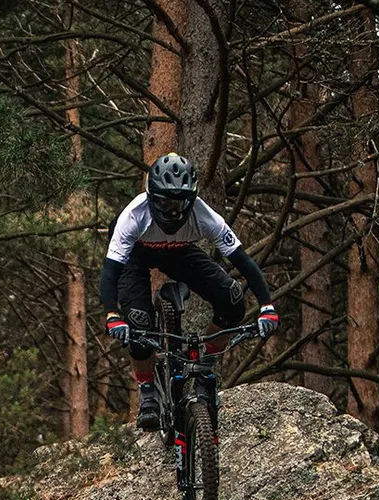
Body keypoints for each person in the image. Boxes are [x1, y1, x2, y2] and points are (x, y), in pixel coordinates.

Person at [100, 153, 279, 430]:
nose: (172, 209)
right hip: (134, 256)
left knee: (231, 300)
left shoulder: (204, 216)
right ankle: (147, 390)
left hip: (179, 252)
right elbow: (111, 271)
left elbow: (244, 262)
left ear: (192, 198)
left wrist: (267, 306)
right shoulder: (133, 217)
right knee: (138, 322)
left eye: (180, 201)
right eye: (164, 200)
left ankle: (204, 365)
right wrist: (113, 314)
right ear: (151, 196)